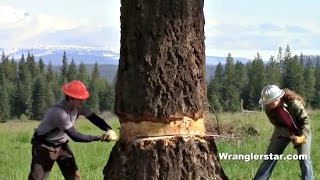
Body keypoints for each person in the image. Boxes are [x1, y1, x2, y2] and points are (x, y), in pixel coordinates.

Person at [28, 80, 117, 180]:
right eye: (79, 98)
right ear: (70, 98)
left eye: (83, 98)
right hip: (44, 146)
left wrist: (108, 129)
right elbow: (75, 136)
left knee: (74, 177)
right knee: (37, 178)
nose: (82, 101)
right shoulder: (59, 112)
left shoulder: (79, 106)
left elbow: (94, 118)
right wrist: (99, 137)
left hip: (61, 145)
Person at [253, 85, 313, 180]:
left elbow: (305, 121)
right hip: (282, 132)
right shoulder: (268, 109)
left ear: (279, 97)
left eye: (273, 101)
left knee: (304, 159)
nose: (270, 104)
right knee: (269, 158)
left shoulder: (293, 103)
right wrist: (289, 134)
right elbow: (277, 124)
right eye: (268, 102)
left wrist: (302, 137)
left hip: (302, 131)